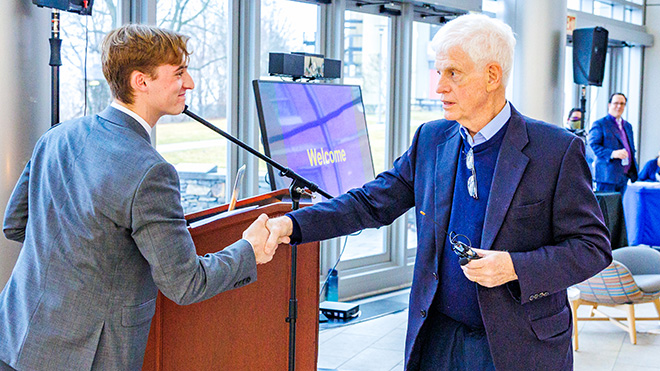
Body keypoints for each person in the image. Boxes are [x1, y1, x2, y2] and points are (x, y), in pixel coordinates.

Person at [265, 14, 611, 371]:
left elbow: (593, 248)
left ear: (492, 76)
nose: (439, 88)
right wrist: (290, 226)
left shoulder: (556, 150)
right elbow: (370, 203)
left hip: (518, 344)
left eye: (453, 74)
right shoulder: (431, 139)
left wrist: (514, 267)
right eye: (439, 73)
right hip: (438, 339)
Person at [0, 24, 281, 371]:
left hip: (15, 337)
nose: (190, 83)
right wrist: (249, 250)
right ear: (140, 82)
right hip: (87, 358)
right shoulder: (152, 172)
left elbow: (15, 225)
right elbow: (185, 283)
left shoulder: (57, 136)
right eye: (179, 73)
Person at [588, 93, 639, 192]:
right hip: (607, 176)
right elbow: (593, 145)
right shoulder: (600, 124)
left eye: (622, 103)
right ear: (609, 105)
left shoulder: (627, 126)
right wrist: (612, 153)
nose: (619, 106)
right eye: (616, 103)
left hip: (624, 175)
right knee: (606, 206)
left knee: (618, 207)